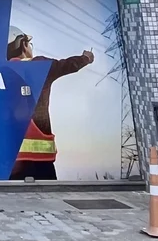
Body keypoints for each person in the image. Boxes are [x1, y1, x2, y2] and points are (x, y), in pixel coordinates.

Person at [7, 31, 94, 180]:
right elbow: (68, 65)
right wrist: (86, 58)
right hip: (41, 162)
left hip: (9, 163)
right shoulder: (38, 65)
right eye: (29, 44)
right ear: (22, 44)